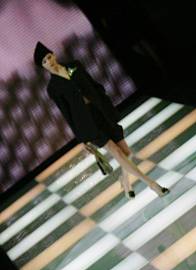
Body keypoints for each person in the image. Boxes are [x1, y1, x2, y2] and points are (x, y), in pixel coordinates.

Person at [33, 41, 169, 199]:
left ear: (54, 55)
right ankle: (152, 184)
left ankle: (125, 181)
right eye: (44, 62)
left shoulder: (74, 65)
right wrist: (82, 139)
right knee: (117, 153)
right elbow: (67, 113)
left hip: (100, 111)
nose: (48, 62)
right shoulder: (53, 88)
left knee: (126, 153)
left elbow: (93, 84)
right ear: (43, 67)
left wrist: (105, 101)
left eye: (49, 57)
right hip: (86, 124)